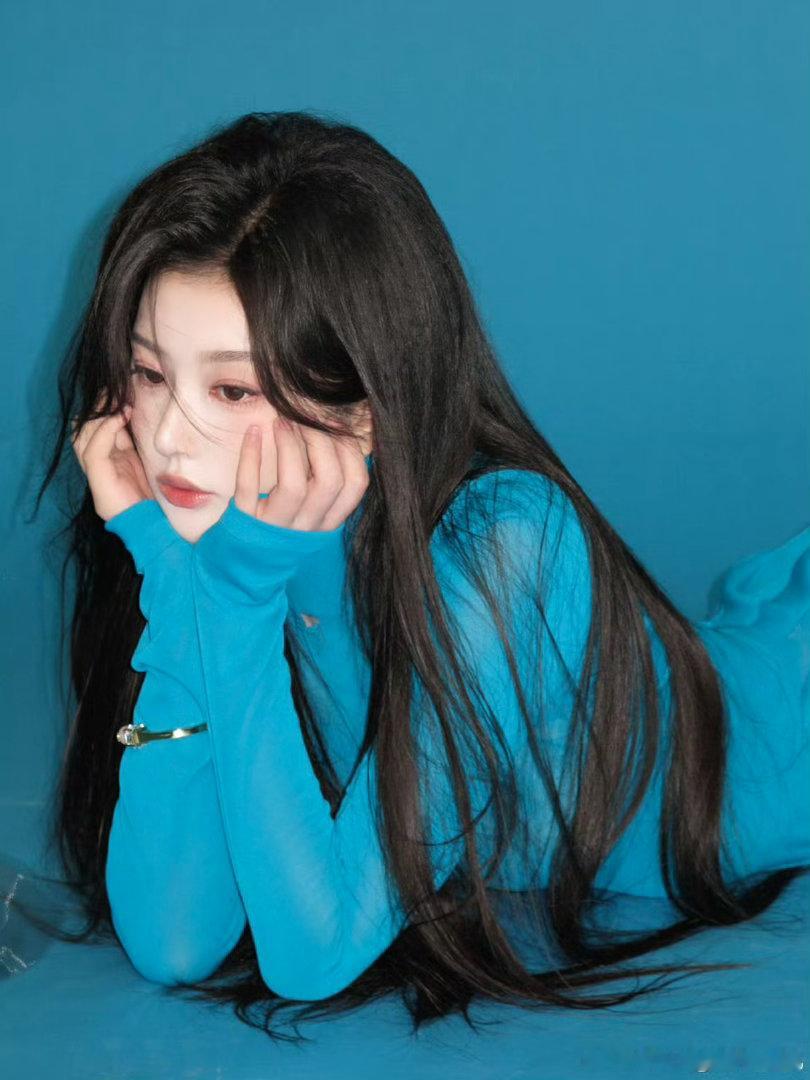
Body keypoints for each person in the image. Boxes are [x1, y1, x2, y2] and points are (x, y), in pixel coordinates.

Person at [25, 110, 809, 1040]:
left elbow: (314, 954)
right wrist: (173, 573)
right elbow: (176, 942)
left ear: (366, 405)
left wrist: (226, 595)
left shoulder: (505, 543)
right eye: (148, 373)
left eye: (231, 390)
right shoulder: (236, 533)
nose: (163, 439)